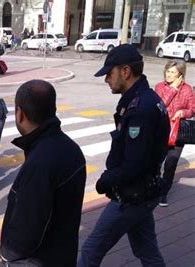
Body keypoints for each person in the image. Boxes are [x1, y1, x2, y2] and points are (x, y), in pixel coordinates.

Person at [78, 44, 169, 266]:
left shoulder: (140, 109)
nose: (106, 79)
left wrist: (105, 181)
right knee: (147, 251)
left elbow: (133, 164)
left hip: (131, 196)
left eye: (110, 73)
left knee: (90, 252)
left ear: (125, 71)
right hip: (145, 193)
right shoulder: (147, 99)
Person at [0, 80, 87, 266]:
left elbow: (26, 230)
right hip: (63, 254)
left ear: (20, 114)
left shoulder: (40, 163)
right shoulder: (72, 149)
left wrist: (8, 256)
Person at [154, 60, 195, 207]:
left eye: (172, 72)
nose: (168, 74)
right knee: (156, 163)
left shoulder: (188, 89)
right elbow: (159, 105)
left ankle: (163, 194)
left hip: (178, 133)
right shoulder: (159, 87)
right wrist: (172, 89)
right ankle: (155, 189)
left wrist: (182, 112)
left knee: (171, 164)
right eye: (167, 71)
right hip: (160, 131)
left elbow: (192, 109)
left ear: (180, 75)